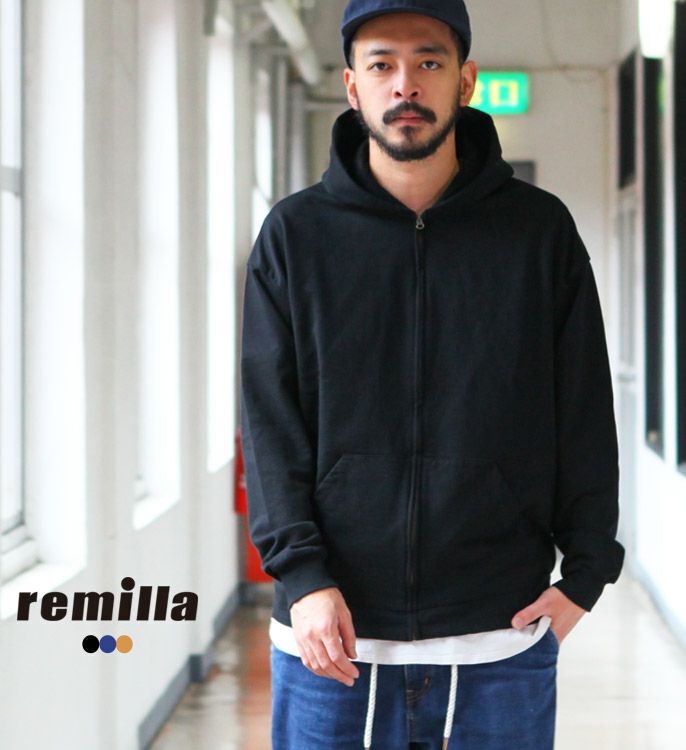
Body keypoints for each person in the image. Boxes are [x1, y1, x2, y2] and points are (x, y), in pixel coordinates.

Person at [239, 0, 626, 747]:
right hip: (332, 637)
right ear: (353, 86)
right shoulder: (296, 235)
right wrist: (304, 576)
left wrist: (585, 576)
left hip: (497, 639)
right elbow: (269, 423)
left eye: (428, 62)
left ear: (465, 80)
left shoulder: (537, 232)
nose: (405, 84)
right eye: (381, 64)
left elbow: (582, 408)